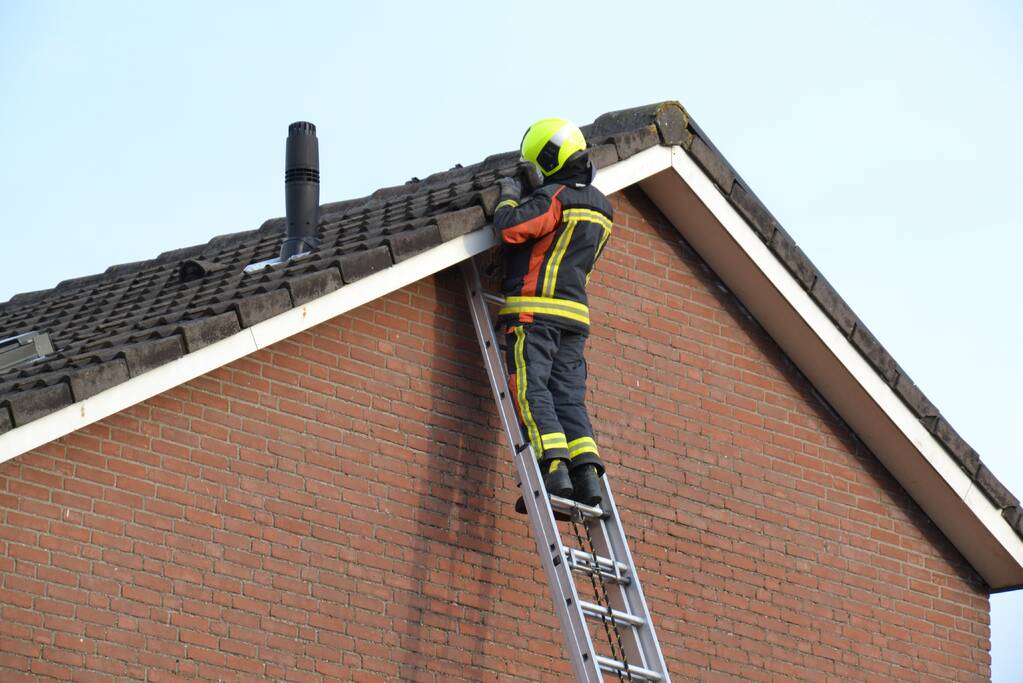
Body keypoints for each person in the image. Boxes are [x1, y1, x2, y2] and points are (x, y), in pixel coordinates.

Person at [494, 118, 613, 509]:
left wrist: (510, 195)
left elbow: (512, 228)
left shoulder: (554, 198)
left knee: (533, 391)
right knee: (569, 398)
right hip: (575, 320)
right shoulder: (603, 209)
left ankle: (553, 471)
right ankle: (587, 475)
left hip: (533, 314)